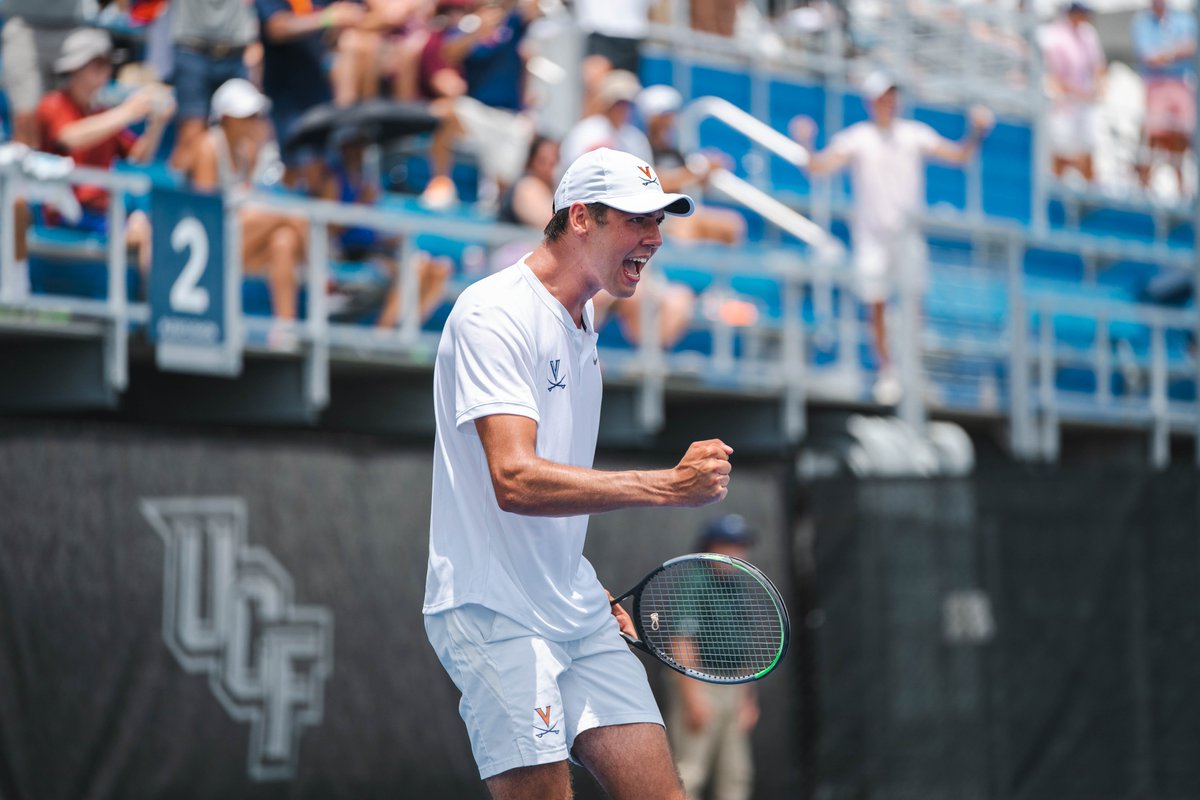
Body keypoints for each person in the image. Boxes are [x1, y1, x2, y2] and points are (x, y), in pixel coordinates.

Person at [423, 146, 733, 800]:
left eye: (660, 222)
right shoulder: (494, 314)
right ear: (582, 218)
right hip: (494, 611)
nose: (654, 238)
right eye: (636, 220)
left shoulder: (584, 317)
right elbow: (516, 480)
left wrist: (578, 584)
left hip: (575, 607)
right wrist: (668, 486)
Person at [791, 71, 992, 404]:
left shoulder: (914, 134)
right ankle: (888, 371)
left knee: (913, 305)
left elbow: (960, 156)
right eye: (883, 97)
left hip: (906, 237)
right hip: (871, 237)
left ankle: (909, 371)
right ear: (873, 102)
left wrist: (977, 132)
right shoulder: (858, 137)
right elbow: (819, 167)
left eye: (892, 96)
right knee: (878, 306)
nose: (889, 103)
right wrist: (805, 143)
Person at [34, 28, 177, 280]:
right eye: (98, 64)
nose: (107, 71)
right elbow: (69, 137)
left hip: (101, 215)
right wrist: (127, 112)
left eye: (107, 64)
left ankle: (141, 309)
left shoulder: (103, 114)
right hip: (64, 213)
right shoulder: (53, 104)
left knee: (143, 226)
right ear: (76, 67)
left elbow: (139, 157)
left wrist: (157, 124)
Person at [178, 78, 308, 324]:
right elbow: (207, 215)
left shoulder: (247, 152)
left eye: (257, 115)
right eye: (248, 116)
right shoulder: (208, 146)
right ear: (226, 118)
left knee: (284, 241)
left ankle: (285, 329)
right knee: (293, 216)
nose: (256, 121)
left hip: (230, 241)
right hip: (207, 243)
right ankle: (323, 277)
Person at [666, 513, 760, 800]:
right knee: (690, 772)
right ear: (710, 546)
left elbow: (744, 647)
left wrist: (747, 699)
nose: (735, 552)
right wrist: (692, 696)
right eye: (727, 544)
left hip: (733, 686)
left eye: (740, 545)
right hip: (701, 683)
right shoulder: (695, 581)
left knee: (737, 773)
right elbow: (681, 641)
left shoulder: (738, 585)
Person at [165, 0, 258, 173]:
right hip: (192, 50)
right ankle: (176, 198)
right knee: (191, 136)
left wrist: (256, 42)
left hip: (236, 53)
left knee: (244, 137)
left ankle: (236, 196)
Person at [0, 0, 88, 147]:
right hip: (21, 24)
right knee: (25, 117)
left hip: (71, 26)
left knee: (65, 116)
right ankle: (23, 167)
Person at [1131, 0, 1196, 193]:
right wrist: (1176, 52)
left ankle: (1180, 187)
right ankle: (1144, 185)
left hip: (1181, 85)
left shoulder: (1184, 20)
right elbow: (1149, 56)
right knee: (1154, 135)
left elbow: (1192, 47)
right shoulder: (1141, 22)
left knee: (1182, 136)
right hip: (1156, 86)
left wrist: (1166, 54)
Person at [1038, 2, 1106, 183]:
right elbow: (1054, 76)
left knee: (1089, 154)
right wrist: (1083, 94)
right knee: (1060, 156)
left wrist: (1098, 90)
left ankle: (1089, 198)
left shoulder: (1088, 34)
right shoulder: (1052, 36)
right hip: (1063, 108)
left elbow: (1098, 66)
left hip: (1084, 108)